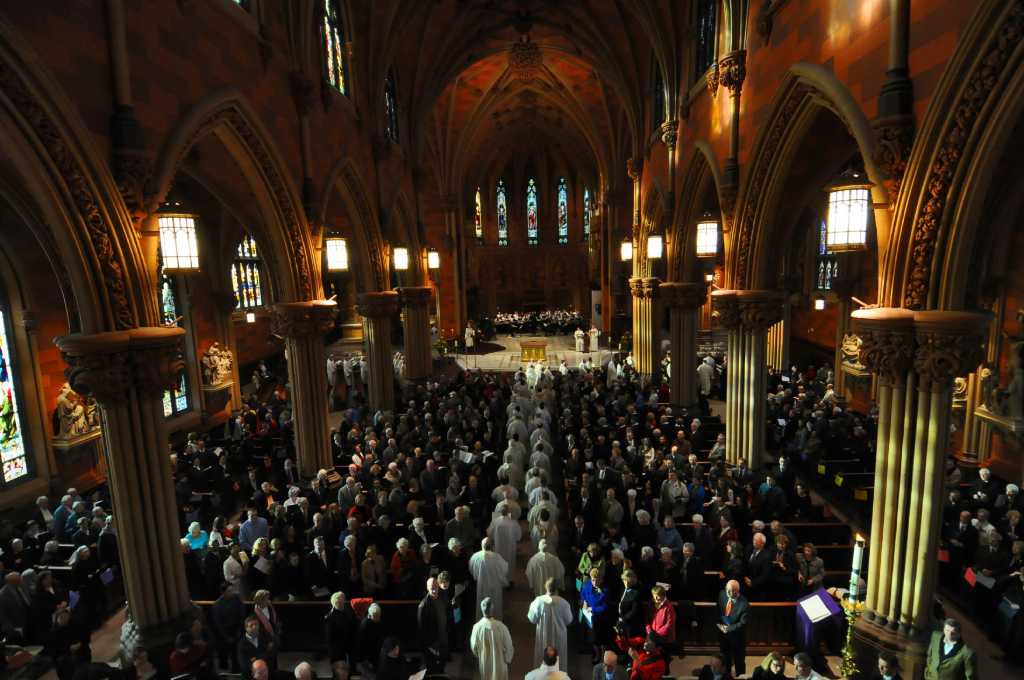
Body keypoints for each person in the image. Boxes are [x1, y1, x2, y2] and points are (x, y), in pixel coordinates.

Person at [526, 577, 573, 667]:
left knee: (543, 657)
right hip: (559, 636)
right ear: (557, 589)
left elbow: (532, 619)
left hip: (544, 635)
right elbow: (569, 620)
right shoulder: (564, 603)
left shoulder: (538, 601)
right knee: (559, 659)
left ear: (545, 587)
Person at [470, 597, 514, 680]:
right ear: (492, 609)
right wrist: (507, 659)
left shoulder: (476, 628)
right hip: (500, 664)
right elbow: (509, 646)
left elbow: (474, 648)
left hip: (485, 664)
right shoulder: (501, 627)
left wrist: (481, 655)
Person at [469, 538, 509, 620]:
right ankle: (496, 621)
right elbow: (505, 569)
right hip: (495, 586)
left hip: (481, 585)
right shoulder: (497, 557)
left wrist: (478, 577)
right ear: (492, 546)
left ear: (482, 546)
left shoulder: (475, 556)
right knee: (495, 603)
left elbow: (471, 570)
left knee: (481, 602)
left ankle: (482, 619)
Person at [716, 579, 749, 677]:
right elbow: (718, 610)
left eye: (732, 591)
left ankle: (741, 677)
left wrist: (728, 629)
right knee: (725, 660)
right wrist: (719, 624)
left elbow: (743, 624)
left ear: (737, 591)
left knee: (739, 662)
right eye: (727, 590)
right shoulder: (722, 594)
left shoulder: (744, 604)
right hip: (723, 636)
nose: (729, 593)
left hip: (737, 638)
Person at [417, 577, 450, 670]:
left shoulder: (442, 599)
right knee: (433, 669)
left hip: (443, 640)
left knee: (442, 667)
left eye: (436, 586)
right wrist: (430, 647)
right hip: (432, 645)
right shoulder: (423, 606)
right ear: (427, 588)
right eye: (432, 587)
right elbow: (422, 630)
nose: (434, 589)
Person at [487, 505, 522, 580]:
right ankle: (509, 580)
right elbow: (519, 535)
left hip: (498, 546)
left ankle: (500, 579)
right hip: (510, 547)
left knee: (499, 563)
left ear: (500, 512)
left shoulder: (495, 521)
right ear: (508, 512)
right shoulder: (513, 522)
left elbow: (489, 533)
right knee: (510, 563)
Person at [324, 591, 358, 666]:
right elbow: (329, 638)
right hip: (338, 649)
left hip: (346, 646)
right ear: (337, 603)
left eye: (344, 600)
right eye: (342, 600)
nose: (344, 602)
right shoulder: (331, 618)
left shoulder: (344, 612)